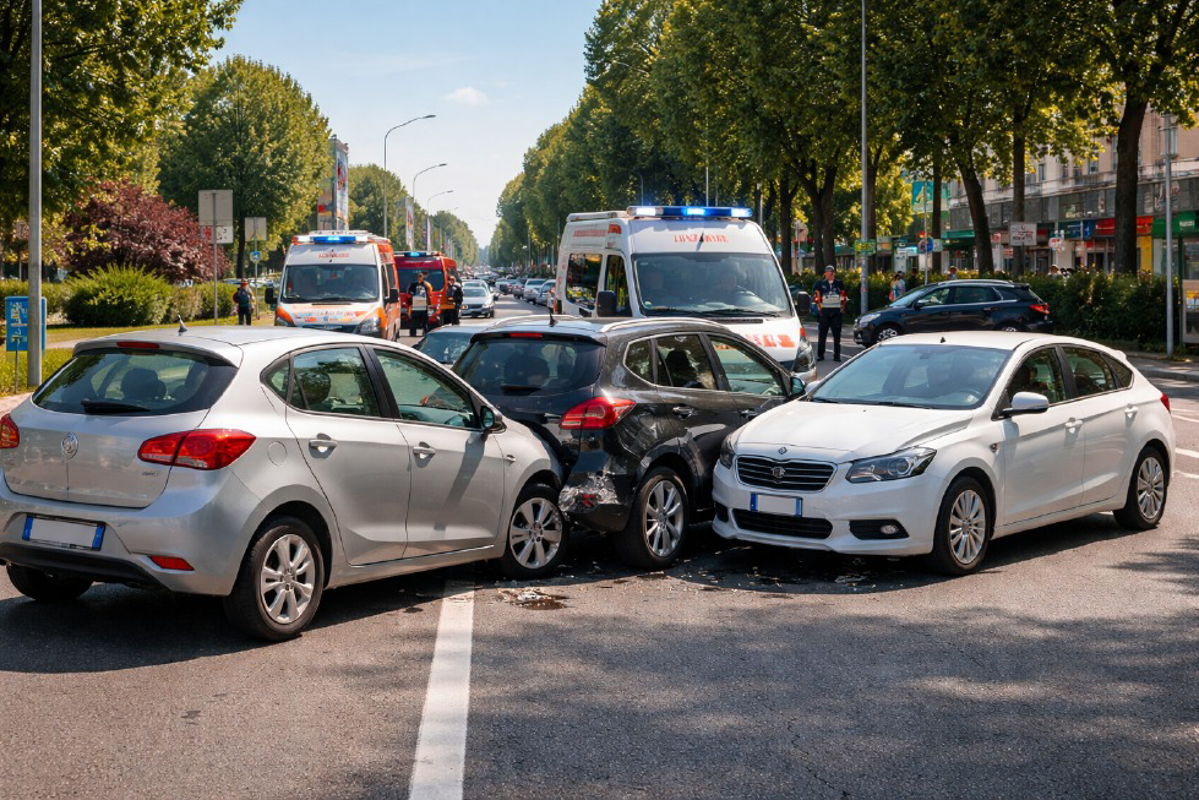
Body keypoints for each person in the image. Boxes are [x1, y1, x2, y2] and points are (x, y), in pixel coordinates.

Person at [811, 265, 847, 361]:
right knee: (822, 334)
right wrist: (818, 308)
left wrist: (843, 307)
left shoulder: (839, 283)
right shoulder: (820, 283)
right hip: (824, 312)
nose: (826, 274)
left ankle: (837, 355)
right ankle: (820, 354)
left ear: (832, 273)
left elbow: (843, 295)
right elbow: (815, 296)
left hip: (836, 312)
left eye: (828, 272)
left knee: (837, 335)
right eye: (825, 272)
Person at [407, 271, 434, 337]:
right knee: (413, 322)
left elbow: (428, 295)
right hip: (415, 306)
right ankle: (413, 333)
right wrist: (412, 295)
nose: (419, 278)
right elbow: (409, 292)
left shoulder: (425, 285)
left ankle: (426, 333)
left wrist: (428, 304)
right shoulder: (413, 284)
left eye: (421, 277)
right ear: (417, 278)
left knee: (424, 322)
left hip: (423, 306)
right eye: (418, 277)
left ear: (422, 278)